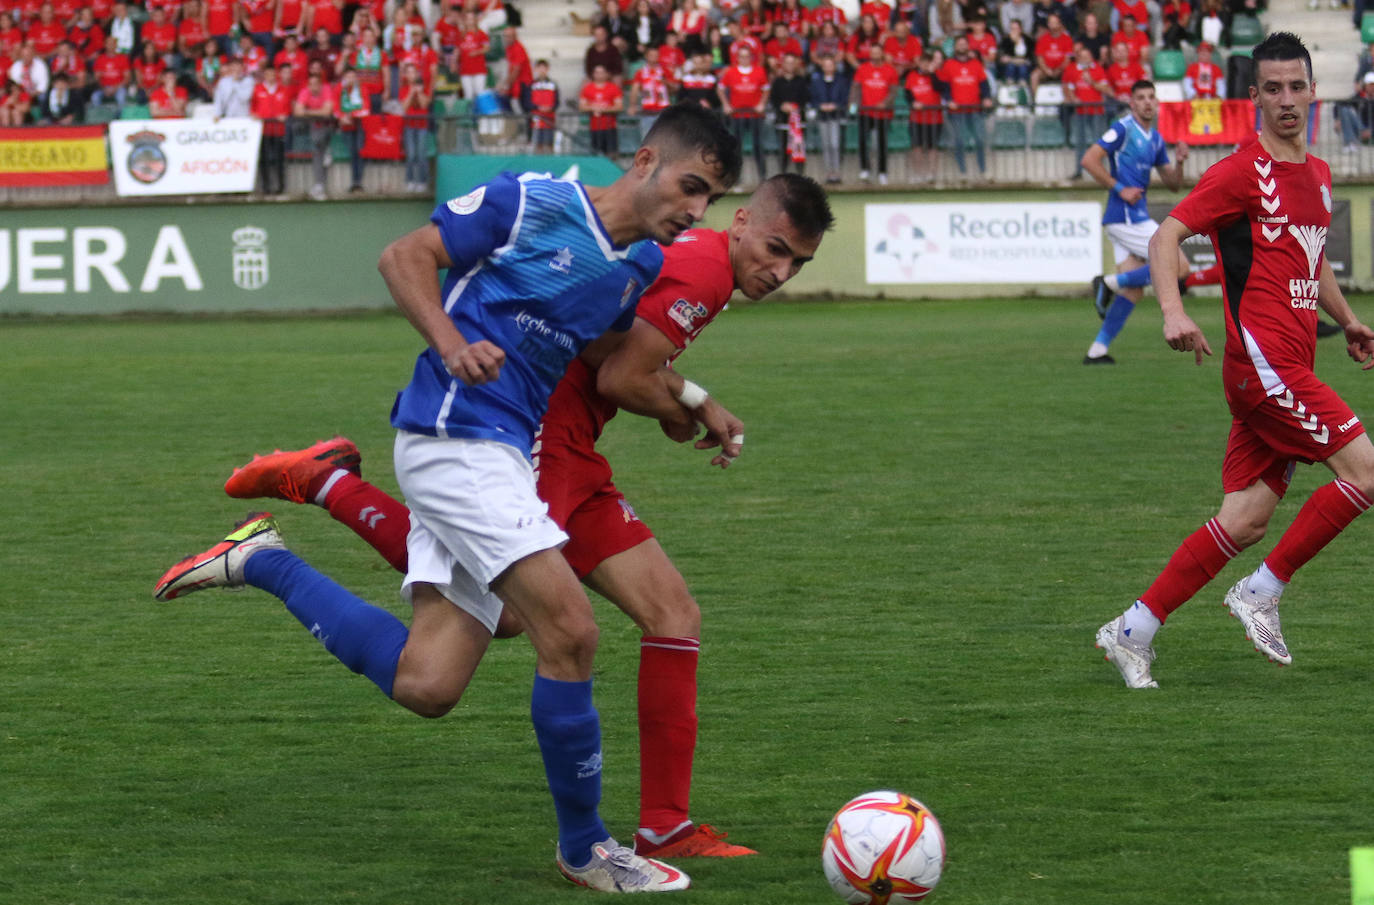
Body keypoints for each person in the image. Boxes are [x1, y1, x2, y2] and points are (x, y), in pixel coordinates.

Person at [153, 103, 742, 893]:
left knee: (426, 683)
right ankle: (586, 848)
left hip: (499, 452)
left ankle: (263, 561)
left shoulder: (632, 267)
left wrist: (688, 399)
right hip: (454, 436)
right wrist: (451, 342)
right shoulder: (535, 202)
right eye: (691, 186)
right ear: (643, 161)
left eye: (710, 200)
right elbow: (404, 255)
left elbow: (611, 361)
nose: (697, 211)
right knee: (569, 630)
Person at [1095, 32, 1374, 690]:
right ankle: (1261, 593)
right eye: (1271, 88)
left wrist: (1349, 320)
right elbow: (1167, 234)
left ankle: (1133, 629)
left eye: (1295, 87)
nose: (1285, 99)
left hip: (1290, 365)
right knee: (1366, 472)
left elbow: (1313, 263)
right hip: (1263, 366)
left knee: (1245, 518)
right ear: (1253, 97)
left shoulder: (1320, 175)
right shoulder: (1241, 172)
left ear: (1313, 91)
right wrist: (1171, 310)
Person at [1082, 78, 1223, 364]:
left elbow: (1173, 184)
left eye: (1151, 97)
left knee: (1132, 290)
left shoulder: (1156, 139)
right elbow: (1089, 160)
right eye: (1141, 98)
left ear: (1156, 103)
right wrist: (1120, 188)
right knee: (1180, 265)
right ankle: (1107, 282)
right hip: (1124, 216)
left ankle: (1096, 351)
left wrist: (1180, 161)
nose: (1147, 102)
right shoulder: (1123, 128)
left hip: (1133, 217)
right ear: (1132, 103)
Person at [938, 35, 992, 181]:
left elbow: (984, 84)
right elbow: (944, 86)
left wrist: (986, 98)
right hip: (957, 110)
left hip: (975, 108)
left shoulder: (976, 64)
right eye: (959, 44)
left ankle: (982, 171)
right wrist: (949, 100)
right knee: (960, 140)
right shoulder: (948, 64)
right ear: (955, 47)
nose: (962, 46)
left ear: (968, 46)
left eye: (964, 44)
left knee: (980, 139)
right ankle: (962, 173)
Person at [717, 43, 770, 182]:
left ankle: (762, 176)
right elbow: (720, 88)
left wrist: (762, 104)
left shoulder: (759, 71)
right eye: (741, 56)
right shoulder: (731, 72)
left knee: (758, 145)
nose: (744, 59)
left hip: (755, 114)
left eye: (747, 56)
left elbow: (766, 89)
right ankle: (736, 177)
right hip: (737, 114)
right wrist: (726, 105)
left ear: (751, 57)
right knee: (736, 147)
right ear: (737, 58)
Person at [851, 43, 899, 185]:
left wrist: (885, 103)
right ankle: (865, 169)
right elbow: (855, 88)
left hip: (883, 113)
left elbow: (894, 91)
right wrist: (853, 106)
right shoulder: (863, 69)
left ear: (882, 53)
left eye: (878, 52)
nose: (875, 54)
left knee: (882, 144)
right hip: (865, 111)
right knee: (862, 141)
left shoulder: (890, 70)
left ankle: (882, 172)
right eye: (873, 52)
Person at [1063, 42, 1110, 180]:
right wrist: (1073, 98)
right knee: (1080, 143)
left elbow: (1105, 89)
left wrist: (1092, 82)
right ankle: (1079, 171)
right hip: (1081, 112)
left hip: (1097, 111)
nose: (1084, 59)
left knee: (1099, 143)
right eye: (1082, 57)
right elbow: (1068, 88)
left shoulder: (1098, 69)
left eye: (1087, 56)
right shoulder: (1073, 70)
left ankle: (1100, 173)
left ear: (1091, 57)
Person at [294, 64, 335, 199]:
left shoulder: (327, 89)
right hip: (313, 126)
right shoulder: (305, 92)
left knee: (318, 141)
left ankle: (319, 184)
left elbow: (327, 112)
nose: (313, 87)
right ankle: (319, 185)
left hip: (328, 126)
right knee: (317, 150)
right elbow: (298, 111)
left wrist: (308, 112)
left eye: (315, 84)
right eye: (310, 84)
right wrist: (316, 113)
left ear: (320, 84)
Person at [809, 52, 849, 184]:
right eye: (825, 65)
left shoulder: (841, 80)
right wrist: (820, 106)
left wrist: (835, 105)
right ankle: (828, 172)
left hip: (835, 116)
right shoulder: (816, 81)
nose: (828, 67)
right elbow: (813, 98)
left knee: (835, 144)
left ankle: (837, 171)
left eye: (830, 64)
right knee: (826, 145)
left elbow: (844, 98)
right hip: (822, 117)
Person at [251, 64, 291, 194]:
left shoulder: (283, 90)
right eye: (268, 74)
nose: (271, 77)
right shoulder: (257, 89)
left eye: (273, 74)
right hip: (263, 130)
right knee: (264, 159)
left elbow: (287, 108)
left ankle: (280, 185)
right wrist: (255, 115)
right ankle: (266, 185)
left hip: (278, 130)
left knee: (279, 159)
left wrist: (284, 115)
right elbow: (253, 108)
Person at [906, 50, 943, 184]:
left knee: (933, 147)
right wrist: (913, 102)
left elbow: (939, 88)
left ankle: (932, 174)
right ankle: (918, 174)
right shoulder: (912, 76)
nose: (925, 66)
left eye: (928, 63)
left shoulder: (937, 75)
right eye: (923, 63)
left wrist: (932, 73)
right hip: (917, 118)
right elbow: (908, 94)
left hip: (934, 118)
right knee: (917, 146)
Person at [770, 51, 809, 175]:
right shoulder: (777, 82)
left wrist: (796, 107)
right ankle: (783, 175)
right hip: (782, 121)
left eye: (792, 63)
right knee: (783, 150)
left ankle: (800, 176)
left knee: (799, 149)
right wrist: (782, 106)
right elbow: (774, 99)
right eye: (787, 62)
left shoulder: (801, 81)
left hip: (799, 122)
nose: (790, 65)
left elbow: (806, 98)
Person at [399, 60, 431, 193]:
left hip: (422, 125)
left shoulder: (425, 88)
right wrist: (411, 93)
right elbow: (404, 107)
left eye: (413, 72)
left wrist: (419, 92)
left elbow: (424, 105)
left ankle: (423, 181)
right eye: (409, 72)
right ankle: (410, 180)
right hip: (409, 125)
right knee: (411, 154)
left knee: (421, 154)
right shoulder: (403, 89)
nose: (411, 75)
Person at [581, 62, 624, 158]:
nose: (599, 75)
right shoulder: (588, 88)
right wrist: (593, 108)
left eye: (601, 72)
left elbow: (619, 106)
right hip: (595, 127)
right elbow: (582, 106)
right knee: (595, 154)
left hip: (610, 126)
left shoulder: (613, 88)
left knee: (612, 154)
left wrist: (603, 110)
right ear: (593, 74)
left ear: (606, 74)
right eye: (597, 72)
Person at [522, 58, 559, 154]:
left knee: (549, 143)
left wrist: (550, 108)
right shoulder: (531, 85)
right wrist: (538, 108)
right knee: (537, 144)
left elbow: (556, 102)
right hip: (536, 120)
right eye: (540, 68)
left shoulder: (553, 85)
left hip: (549, 119)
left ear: (547, 69)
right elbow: (527, 102)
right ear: (536, 69)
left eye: (544, 68)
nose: (542, 70)